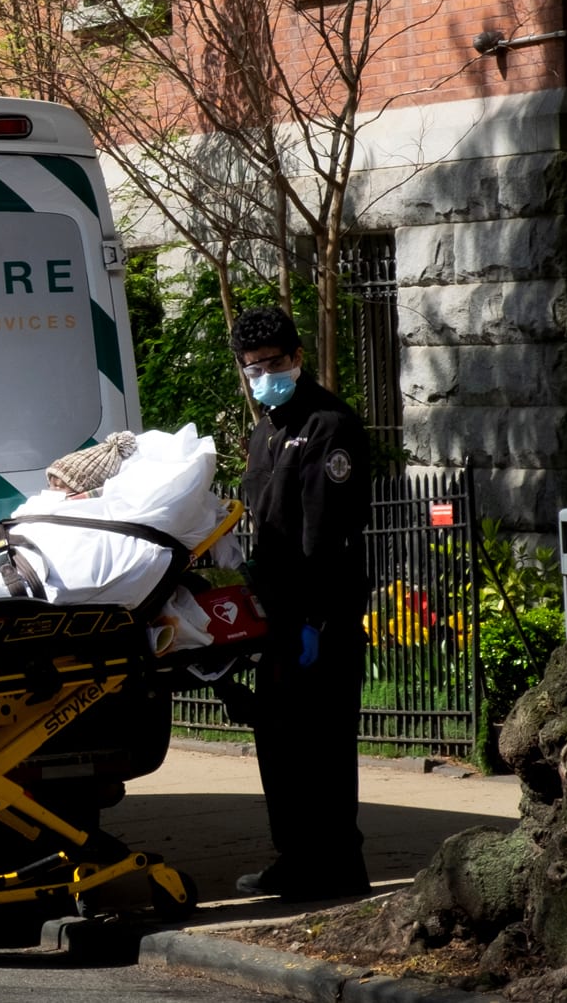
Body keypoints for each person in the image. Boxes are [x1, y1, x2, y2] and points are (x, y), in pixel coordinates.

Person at [229, 303, 372, 900]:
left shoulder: (328, 426)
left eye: (276, 362)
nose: (266, 374)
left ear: (298, 358)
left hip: (320, 615)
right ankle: (296, 859)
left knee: (323, 748)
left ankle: (338, 867)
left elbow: (324, 534)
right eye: (255, 366)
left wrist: (314, 618)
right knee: (280, 745)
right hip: (280, 616)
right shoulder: (266, 429)